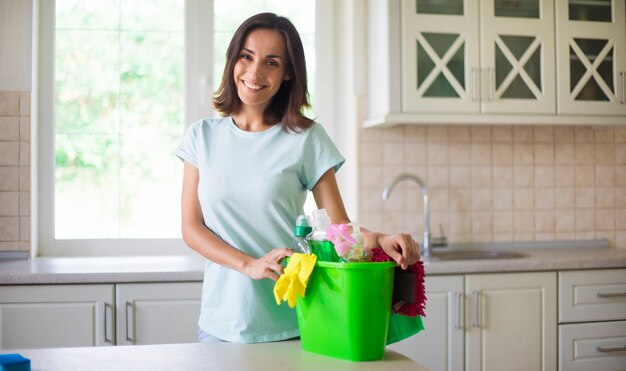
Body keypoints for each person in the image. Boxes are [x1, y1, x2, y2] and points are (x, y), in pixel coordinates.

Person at [176, 12, 419, 344]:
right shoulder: (201, 137)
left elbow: (338, 229)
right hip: (221, 324)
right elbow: (191, 228)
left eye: (271, 63)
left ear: (288, 73)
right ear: (234, 60)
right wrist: (249, 264)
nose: (254, 72)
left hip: (295, 320)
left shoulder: (306, 138)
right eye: (246, 57)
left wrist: (380, 239)